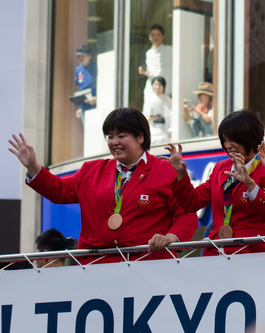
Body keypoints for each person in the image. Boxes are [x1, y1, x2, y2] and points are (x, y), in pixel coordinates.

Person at [8, 108, 198, 263]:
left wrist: (172, 237)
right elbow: (59, 191)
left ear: (140, 137)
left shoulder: (166, 170)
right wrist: (33, 167)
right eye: (110, 136)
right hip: (95, 268)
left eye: (121, 136)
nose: (114, 142)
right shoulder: (92, 170)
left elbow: (187, 214)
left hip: (147, 266)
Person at [166, 110, 265, 254]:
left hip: (250, 254)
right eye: (224, 140)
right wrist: (181, 173)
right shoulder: (221, 168)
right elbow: (192, 203)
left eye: (233, 139)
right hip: (216, 253)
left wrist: (250, 184)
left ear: (250, 137)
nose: (228, 145)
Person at [139, 24, 173, 107]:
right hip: (151, 90)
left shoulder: (170, 50)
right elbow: (151, 73)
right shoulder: (148, 53)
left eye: (158, 35)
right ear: (150, 37)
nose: (155, 38)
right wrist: (144, 72)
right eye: (153, 35)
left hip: (166, 90)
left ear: (163, 36)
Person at [143, 76, 172, 145]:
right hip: (152, 129)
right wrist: (149, 118)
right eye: (155, 85)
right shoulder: (149, 98)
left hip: (164, 130)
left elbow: (171, 115)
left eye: (159, 85)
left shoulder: (167, 99)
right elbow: (145, 115)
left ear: (163, 86)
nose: (157, 87)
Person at [73, 44, 97, 120]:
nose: (80, 58)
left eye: (82, 56)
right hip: (84, 107)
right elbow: (80, 87)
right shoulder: (78, 70)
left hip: (95, 105)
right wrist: (80, 108)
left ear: (89, 56)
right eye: (78, 56)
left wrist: (97, 98)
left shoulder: (96, 67)